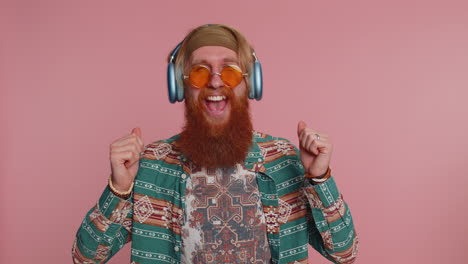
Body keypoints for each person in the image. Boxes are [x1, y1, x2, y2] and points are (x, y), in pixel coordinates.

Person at [72, 24, 358, 264]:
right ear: (180, 86)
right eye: (199, 71)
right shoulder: (151, 164)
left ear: (251, 84)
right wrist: (119, 188)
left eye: (231, 71)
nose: (216, 82)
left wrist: (319, 178)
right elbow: (84, 257)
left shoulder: (282, 159)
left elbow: (345, 252)